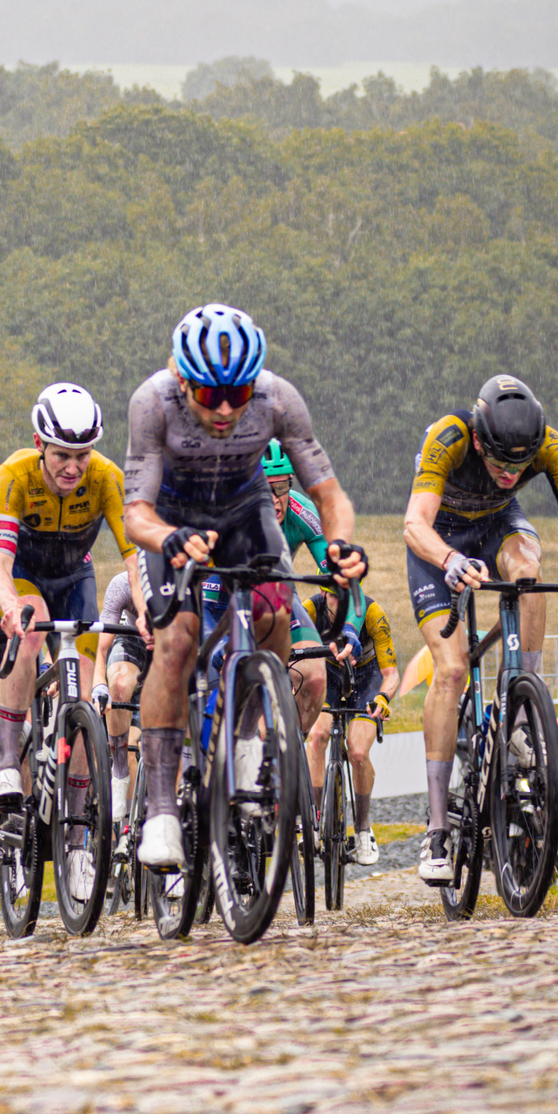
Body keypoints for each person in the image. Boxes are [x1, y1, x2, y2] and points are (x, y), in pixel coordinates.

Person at [123, 303, 366, 872]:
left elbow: (329, 494)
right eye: (211, 396)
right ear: (182, 380)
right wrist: (168, 537)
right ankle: (161, 807)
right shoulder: (152, 402)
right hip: (171, 515)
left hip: (244, 512)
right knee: (177, 643)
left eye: (239, 391)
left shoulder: (277, 397)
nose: (228, 408)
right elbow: (135, 514)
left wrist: (338, 545)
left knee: (276, 609)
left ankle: (249, 732)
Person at [403, 374, 558, 884]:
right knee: (451, 672)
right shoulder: (450, 437)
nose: (509, 472)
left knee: (527, 570)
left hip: (497, 526)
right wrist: (449, 558)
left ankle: (524, 699)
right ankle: (436, 829)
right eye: (499, 463)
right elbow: (414, 522)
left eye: (521, 465)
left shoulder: (548, 444)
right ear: (479, 440)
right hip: (438, 542)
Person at [0, 389, 130, 889]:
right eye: (62, 456)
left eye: (82, 455)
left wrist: (152, 610)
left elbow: (134, 559)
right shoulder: (13, 477)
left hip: (75, 580)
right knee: (30, 624)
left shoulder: (107, 477)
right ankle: (6, 761)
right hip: (23, 574)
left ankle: (77, 844)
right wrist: (8, 606)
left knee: (85, 695)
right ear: (39, 444)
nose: (72, 467)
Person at [303, 575, 401, 864]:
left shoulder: (372, 613)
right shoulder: (310, 609)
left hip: (366, 677)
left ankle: (362, 829)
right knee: (317, 737)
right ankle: (314, 822)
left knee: (358, 751)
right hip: (328, 675)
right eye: (333, 596)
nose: (340, 602)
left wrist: (383, 697)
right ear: (323, 594)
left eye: (345, 595)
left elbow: (391, 674)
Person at [263, 441, 331, 733]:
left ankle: (293, 754)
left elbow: (334, 573)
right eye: (266, 490)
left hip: (279, 597)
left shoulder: (302, 512)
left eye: (282, 488)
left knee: (314, 676)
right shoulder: (231, 513)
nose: (276, 500)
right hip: (230, 601)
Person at [92, 561, 153, 833]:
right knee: (117, 683)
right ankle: (119, 775)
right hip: (135, 642)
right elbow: (102, 650)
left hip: (172, 643)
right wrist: (99, 684)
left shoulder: (184, 580)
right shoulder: (122, 584)